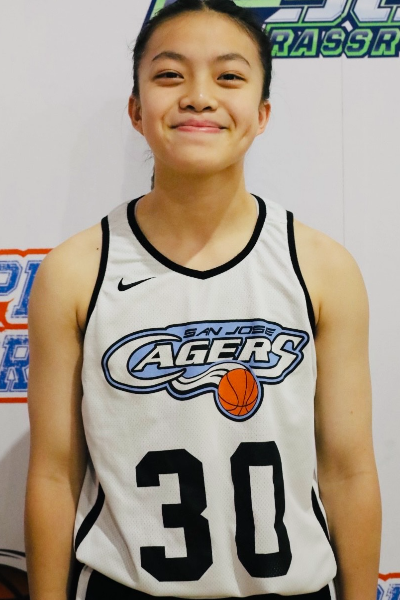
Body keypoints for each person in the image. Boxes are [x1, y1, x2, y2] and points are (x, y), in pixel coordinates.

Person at [25, 1, 381, 599]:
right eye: (170, 74)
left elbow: (349, 472)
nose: (198, 96)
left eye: (229, 76)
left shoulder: (323, 267)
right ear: (136, 109)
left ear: (262, 113)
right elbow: (54, 474)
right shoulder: (75, 272)